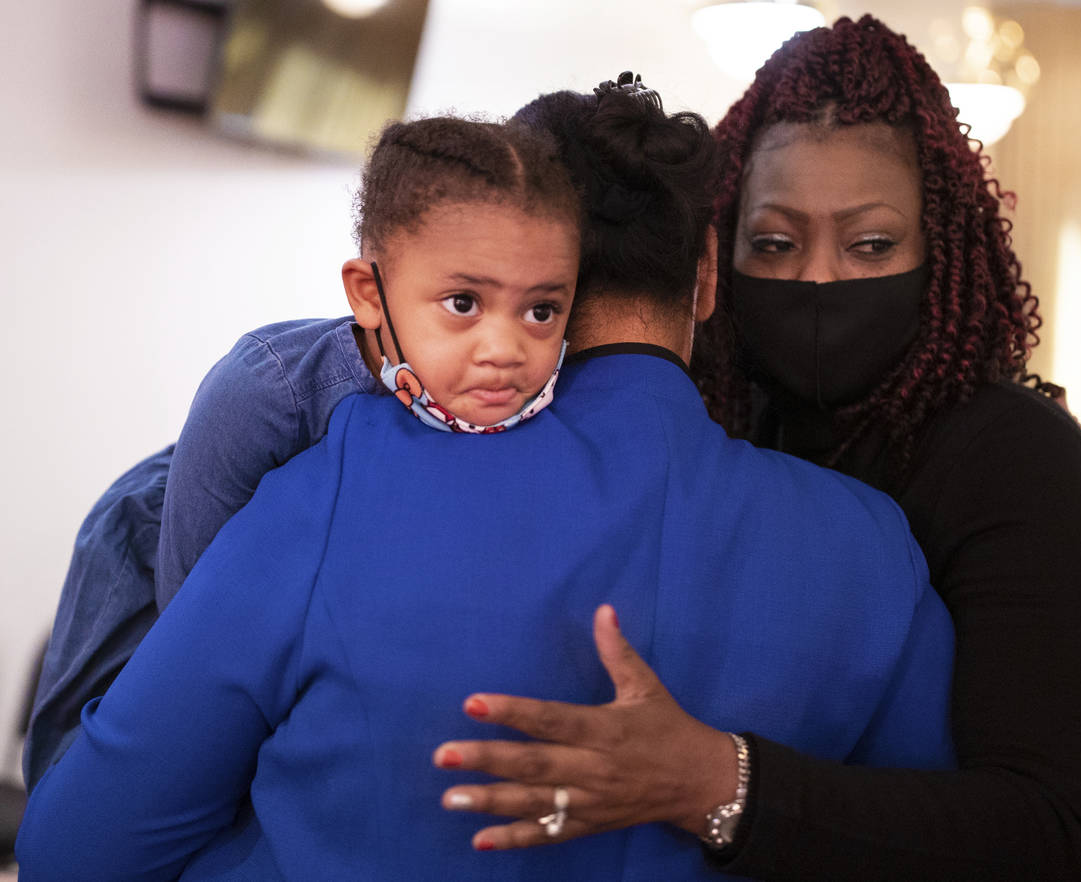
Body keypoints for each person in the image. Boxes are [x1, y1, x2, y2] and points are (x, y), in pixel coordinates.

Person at [17, 85, 957, 880]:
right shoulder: (873, 547)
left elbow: (74, 854)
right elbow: (950, 843)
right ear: (706, 276)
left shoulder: (339, 482)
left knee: (141, 503)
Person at [429, 19, 1081, 882]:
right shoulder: (719, 420)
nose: (819, 279)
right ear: (716, 258)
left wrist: (720, 783)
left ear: (939, 248)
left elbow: (1054, 832)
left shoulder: (1008, 454)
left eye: (871, 245)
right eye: (776, 244)